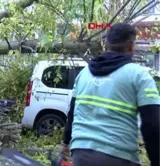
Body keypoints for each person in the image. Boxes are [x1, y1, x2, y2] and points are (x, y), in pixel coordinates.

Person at [58, 23, 160, 166]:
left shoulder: (84, 74)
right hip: (119, 156)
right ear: (132, 46)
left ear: (106, 45)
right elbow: (153, 125)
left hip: (80, 154)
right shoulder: (139, 76)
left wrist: (65, 144)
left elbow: (72, 113)